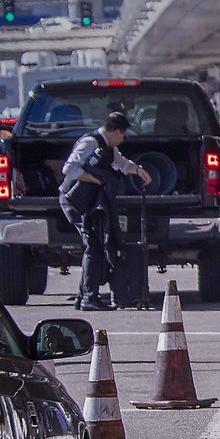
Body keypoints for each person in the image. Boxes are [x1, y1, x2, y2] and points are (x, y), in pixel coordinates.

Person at [60, 111, 153, 311]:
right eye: (123, 135)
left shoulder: (108, 147)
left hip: (89, 201)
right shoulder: (91, 142)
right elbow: (69, 169)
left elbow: (121, 163)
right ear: (116, 131)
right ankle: (89, 298)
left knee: (94, 244)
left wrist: (138, 171)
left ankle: (83, 296)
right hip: (74, 200)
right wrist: (94, 180)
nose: (123, 139)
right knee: (92, 246)